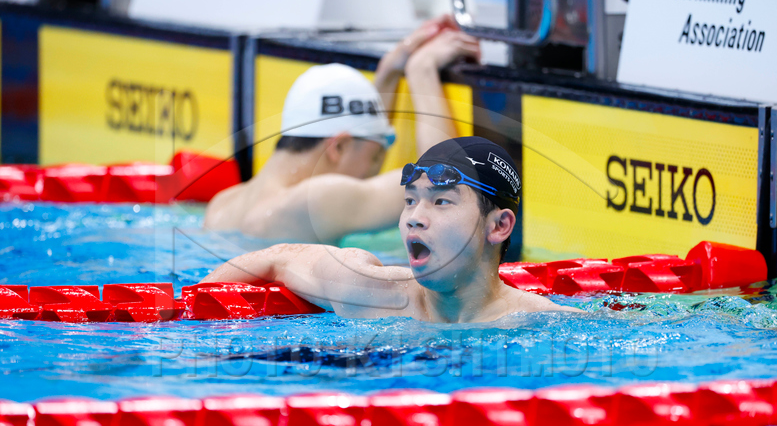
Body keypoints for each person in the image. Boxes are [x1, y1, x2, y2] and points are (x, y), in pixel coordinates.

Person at [202, 137, 580, 323]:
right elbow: (277, 257)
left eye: (441, 202)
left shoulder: (541, 323)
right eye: (410, 200)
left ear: (499, 226)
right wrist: (189, 317)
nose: (414, 217)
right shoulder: (371, 292)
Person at [204, 16, 481, 244]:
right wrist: (422, 70)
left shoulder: (222, 204)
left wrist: (389, 70)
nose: (373, 172)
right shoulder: (314, 201)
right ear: (337, 147)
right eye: (375, 158)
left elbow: (362, 138)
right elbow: (442, 181)